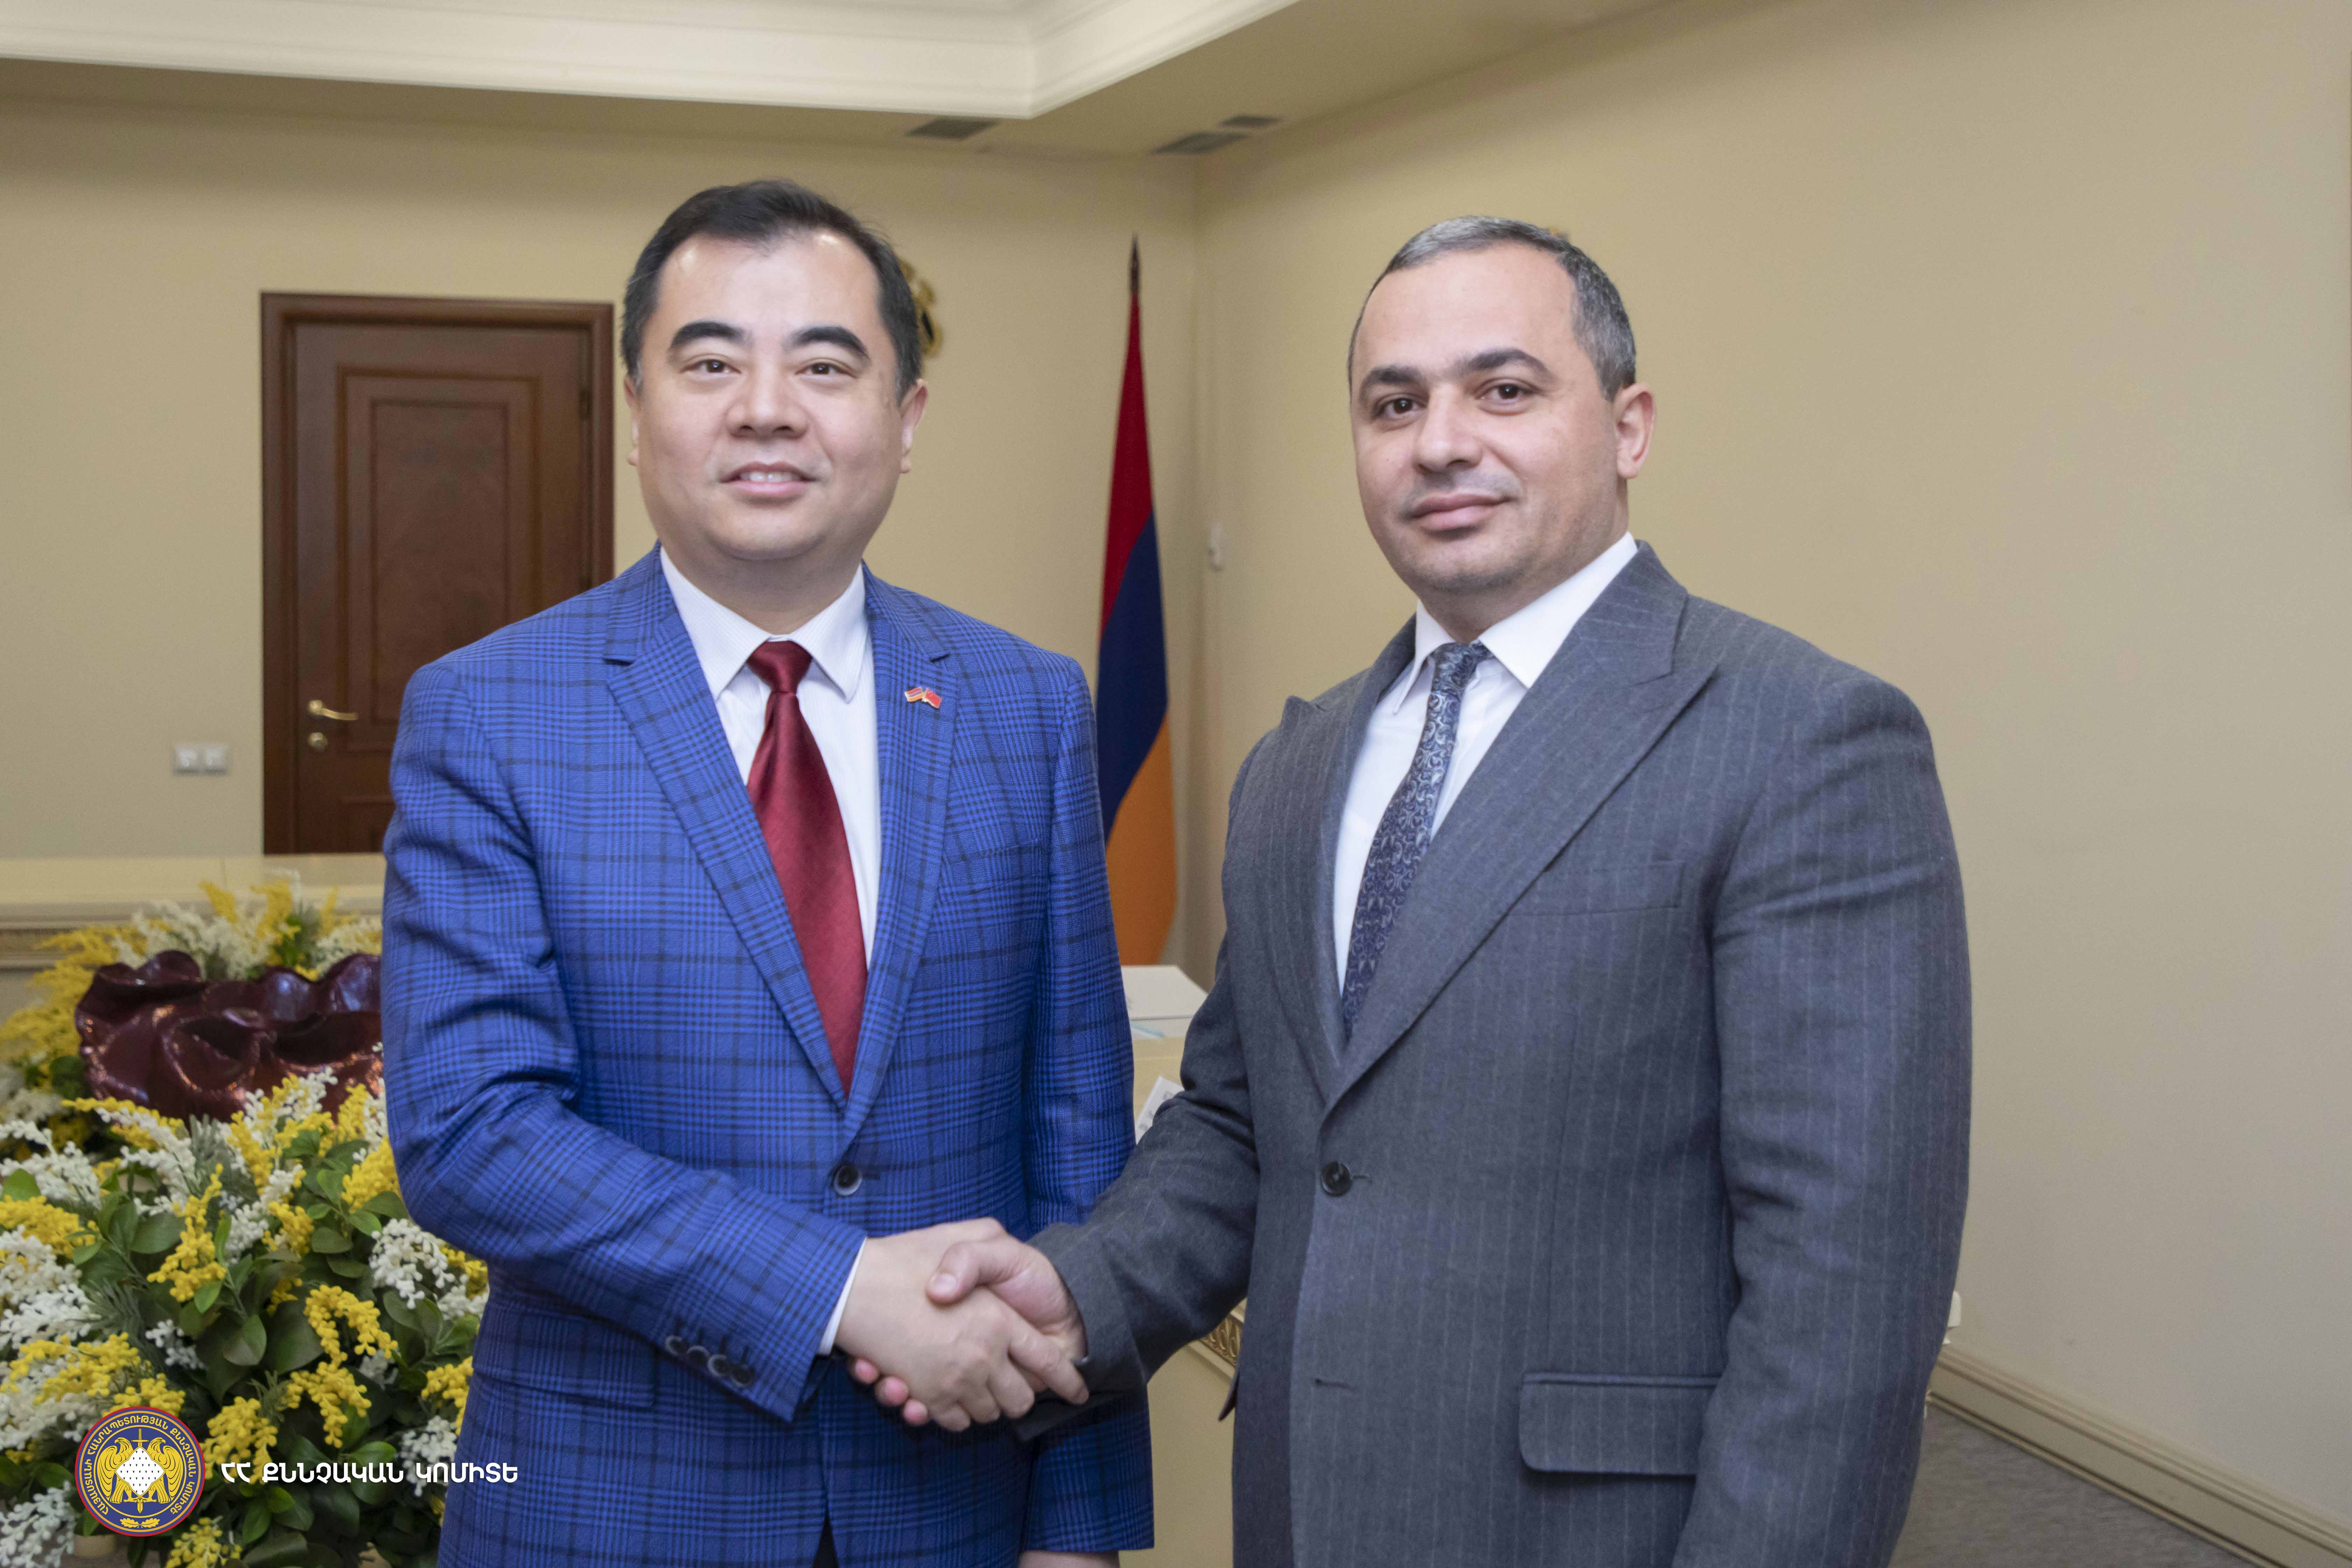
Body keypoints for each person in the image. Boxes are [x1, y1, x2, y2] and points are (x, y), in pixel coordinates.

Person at [873, 217, 1971, 1568]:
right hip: (1304, 1509)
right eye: (1394, 405)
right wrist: (1075, 1292)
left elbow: (1845, 1292)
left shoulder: (1801, 739)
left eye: (1504, 390)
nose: (1441, 442)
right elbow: (1248, 1125)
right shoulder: (1299, 765)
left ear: (1629, 427)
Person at [380, 178, 1149, 1568]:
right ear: (636, 412)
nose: (767, 410)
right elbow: (473, 1134)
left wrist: (1084, 1523)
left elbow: (1078, 1139)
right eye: (712, 363)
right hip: (608, 1510)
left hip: (957, 1509)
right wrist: (840, 1287)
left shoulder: (1026, 706)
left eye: (826, 366)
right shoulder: (490, 711)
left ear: (906, 420)